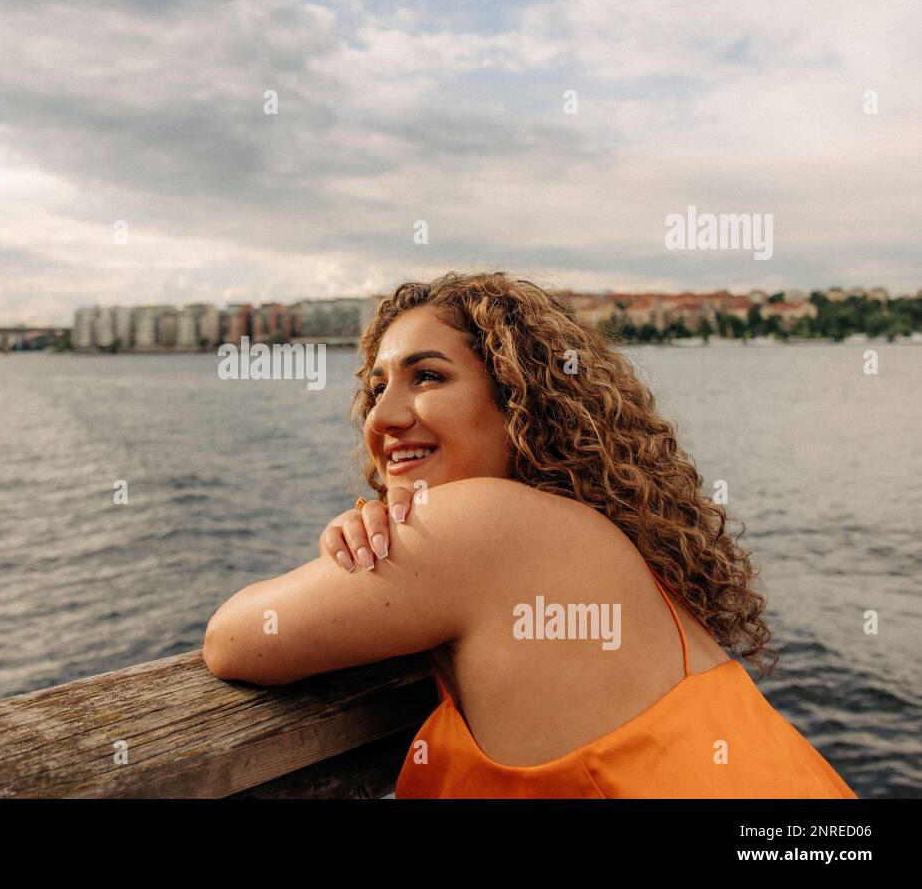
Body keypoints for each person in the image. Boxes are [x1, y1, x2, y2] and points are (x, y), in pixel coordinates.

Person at [204, 271, 856, 797]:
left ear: (516, 397)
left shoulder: (483, 524)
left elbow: (233, 638)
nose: (384, 416)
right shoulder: (602, 539)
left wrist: (361, 548)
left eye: (427, 376)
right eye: (376, 387)